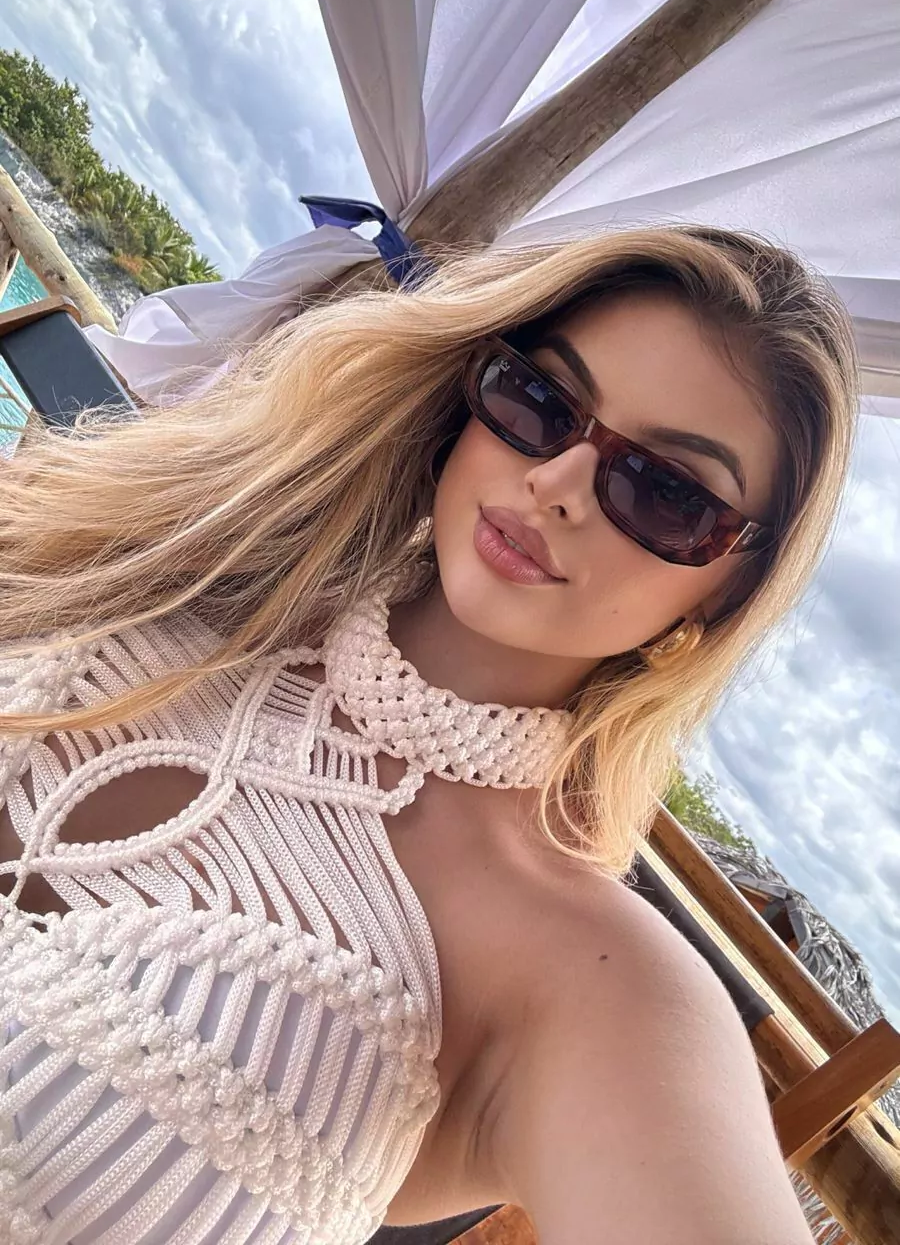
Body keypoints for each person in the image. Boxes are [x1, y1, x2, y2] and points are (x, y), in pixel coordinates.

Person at [0, 222, 857, 1245]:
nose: (559, 484)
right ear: (473, 387)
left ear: (727, 593)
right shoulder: (155, 551)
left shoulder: (585, 986)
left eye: (665, 492)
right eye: (541, 401)